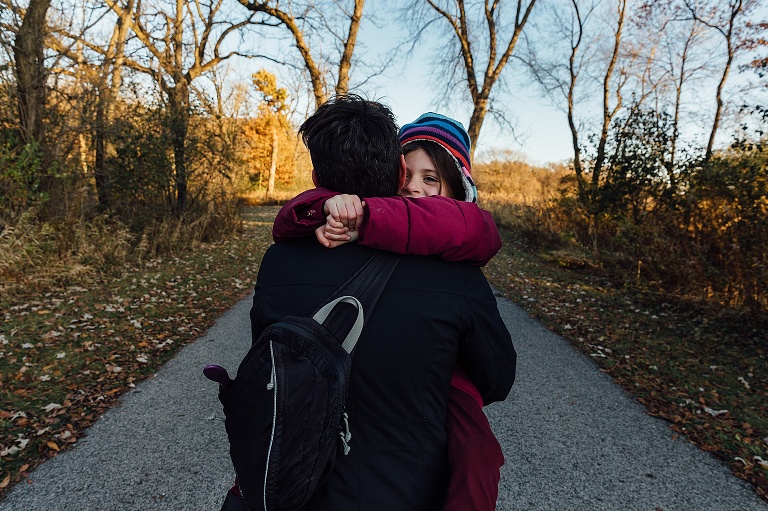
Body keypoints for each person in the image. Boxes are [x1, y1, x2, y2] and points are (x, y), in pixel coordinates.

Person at [221, 95, 516, 511]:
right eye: (410, 174)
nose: (415, 186)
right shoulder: (457, 277)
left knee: (478, 456)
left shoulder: (282, 258)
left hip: (298, 479)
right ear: (395, 170)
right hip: (410, 486)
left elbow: (269, 355)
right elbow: (497, 379)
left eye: (432, 179)